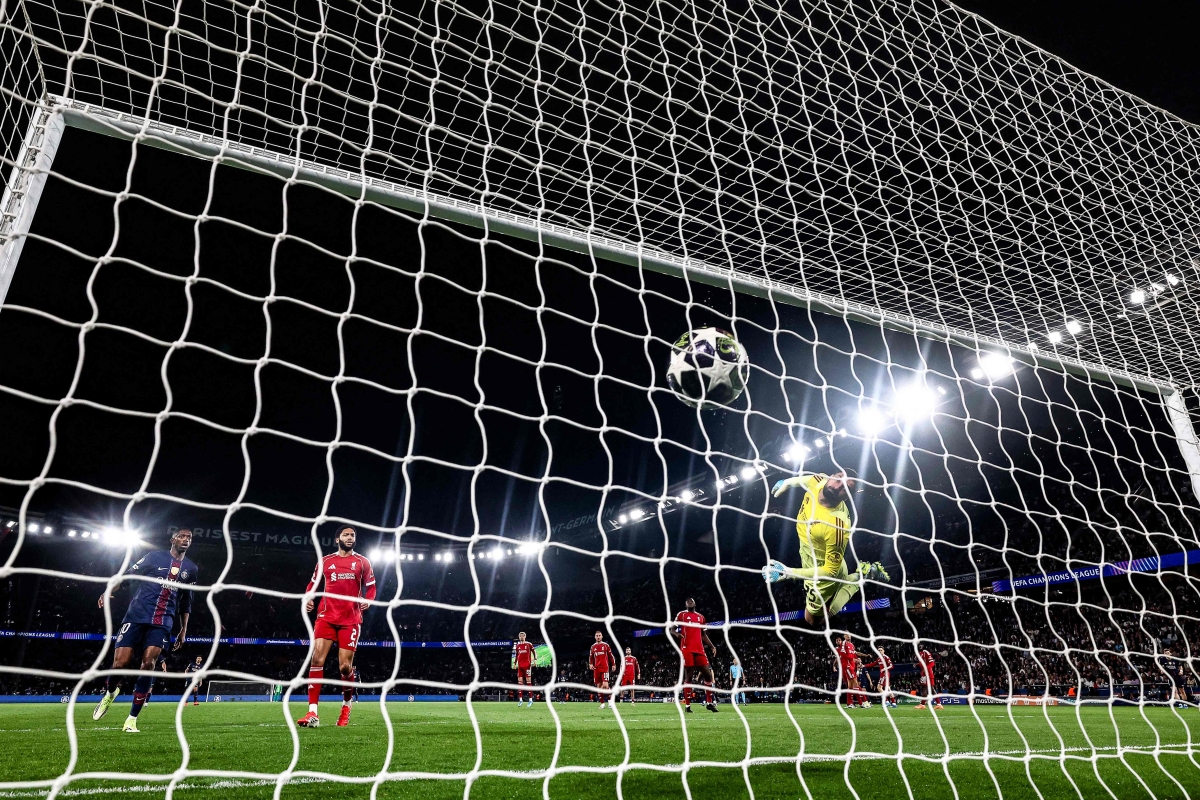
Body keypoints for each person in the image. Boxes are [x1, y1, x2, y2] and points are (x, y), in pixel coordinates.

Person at [92, 528, 198, 733]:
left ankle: (131, 720)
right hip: (136, 616)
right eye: (182, 536)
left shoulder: (191, 569)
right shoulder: (153, 557)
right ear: (173, 539)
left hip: (163, 621)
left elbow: (186, 601)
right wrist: (108, 590)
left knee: (148, 664)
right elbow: (126, 577)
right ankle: (110, 693)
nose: (186, 540)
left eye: (189, 538)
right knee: (120, 664)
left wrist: (183, 629)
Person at [762, 470, 888, 624]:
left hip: (822, 572)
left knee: (812, 620)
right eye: (839, 478)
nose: (838, 486)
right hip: (817, 556)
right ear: (831, 476)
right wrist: (788, 482)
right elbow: (808, 479)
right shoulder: (819, 481)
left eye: (846, 487)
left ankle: (858, 579)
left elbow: (830, 571)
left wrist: (788, 573)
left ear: (847, 497)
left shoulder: (836, 525)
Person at [296, 526, 376, 728]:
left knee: (345, 667)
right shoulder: (325, 561)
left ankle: (346, 706)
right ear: (337, 539)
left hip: (350, 619)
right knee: (317, 658)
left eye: (352, 535)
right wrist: (309, 598)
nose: (350, 537)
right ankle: (312, 713)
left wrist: (369, 600)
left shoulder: (362, 562)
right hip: (326, 616)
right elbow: (312, 584)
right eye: (346, 535)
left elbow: (371, 587)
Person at [674, 597, 718, 713]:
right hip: (686, 649)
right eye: (687, 601)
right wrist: (676, 634)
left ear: (695, 604)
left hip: (699, 649)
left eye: (691, 601)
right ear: (685, 604)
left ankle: (709, 703)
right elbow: (671, 629)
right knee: (689, 676)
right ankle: (688, 706)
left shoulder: (701, 617)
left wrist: (712, 646)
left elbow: (703, 635)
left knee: (708, 675)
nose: (689, 601)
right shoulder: (681, 615)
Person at [836, 634, 865, 708]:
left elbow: (854, 655)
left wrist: (857, 660)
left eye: (849, 635)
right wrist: (852, 659)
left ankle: (850, 703)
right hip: (848, 666)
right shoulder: (843, 644)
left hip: (852, 666)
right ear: (844, 636)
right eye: (847, 635)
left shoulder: (852, 645)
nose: (849, 636)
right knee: (855, 683)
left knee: (850, 686)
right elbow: (843, 654)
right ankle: (861, 703)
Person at [588, 632, 615, 708]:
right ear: (595, 637)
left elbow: (611, 656)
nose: (598, 637)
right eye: (597, 636)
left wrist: (613, 664)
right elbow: (591, 657)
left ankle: (610, 702)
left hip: (605, 668)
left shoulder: (606, 645)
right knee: (599, 686)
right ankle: (602, 703)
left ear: (602, 636)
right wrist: (590, 664)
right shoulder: (593, 646)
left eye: (599, 635)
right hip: (596, 669)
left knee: (606, 685)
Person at [513, 632, 536, 707]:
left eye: (523, 636)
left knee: (528, 682)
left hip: (527, 665)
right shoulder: (518, 646)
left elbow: (534, 651)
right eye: (520, 636)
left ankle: (530, 700)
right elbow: (517, 655)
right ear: (519, 637)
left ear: (525, 637)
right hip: (520, 666)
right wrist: (515, 663)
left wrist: (535, 660)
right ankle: (520, 700)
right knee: (520, 682)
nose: (521, 637)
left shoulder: (529, 644)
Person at [916, 644, 941, 710]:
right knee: (929, 689)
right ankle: (938, 704)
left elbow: (932, 663)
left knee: (925, 688)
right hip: (924, 674)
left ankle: (922, 704)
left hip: (928, 674)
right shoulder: (920, 653)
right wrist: (917, 664)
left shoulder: (926, 652)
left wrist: (925, 668)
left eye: (921, 645)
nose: (920, 646)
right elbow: (923, 663)